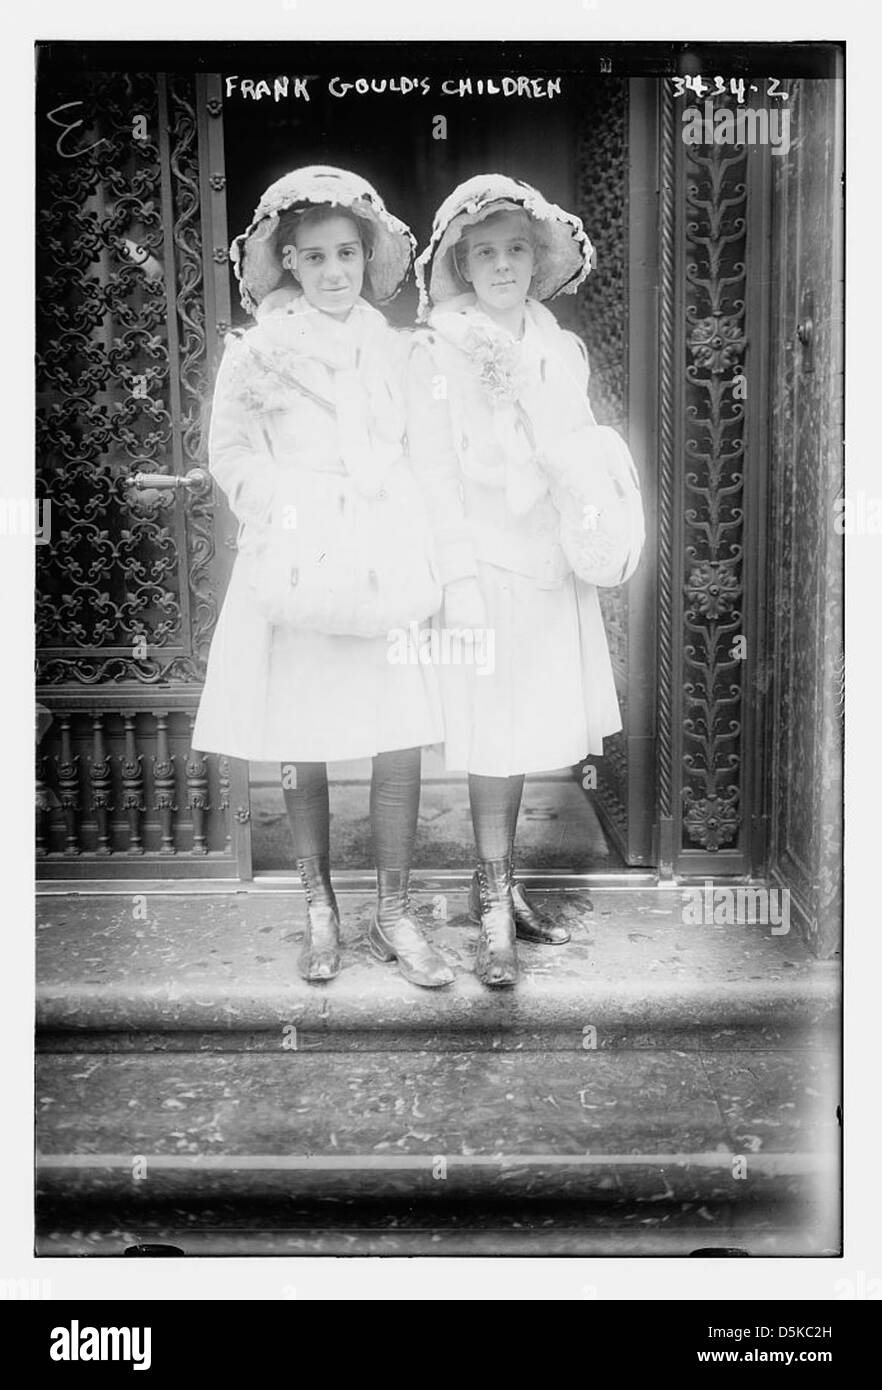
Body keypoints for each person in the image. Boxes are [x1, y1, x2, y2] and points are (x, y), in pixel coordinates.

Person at [192, 166, 453, 989]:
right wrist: (290, 506)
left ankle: (396, 910)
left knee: (397, 731)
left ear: (367, 258)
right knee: (298, 731)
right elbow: (230, 453)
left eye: (348, 254)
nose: (335, 272)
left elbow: (425, 448)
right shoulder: (260, 351)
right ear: (290, 265)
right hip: (300, 557)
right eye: (315, 258)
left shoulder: (398, 348)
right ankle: (319, 906)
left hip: (381, 553)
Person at [407, 174, 643, 988]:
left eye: (516, 250)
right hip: (487, 569)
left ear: (536, 260)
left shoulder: (557, 346)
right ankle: (492, 908)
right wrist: (457, 578)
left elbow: (577, 451)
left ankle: (502, 892)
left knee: (530, 735)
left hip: (547, 567)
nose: (502, 265)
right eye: (485, 253)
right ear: (463, 266)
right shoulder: (437, 349)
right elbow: (434, 474)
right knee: (490, 741)